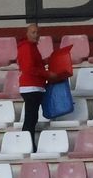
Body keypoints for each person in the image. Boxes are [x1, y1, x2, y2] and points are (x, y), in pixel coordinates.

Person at [16, 22, 69, 151]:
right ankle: (27, 146)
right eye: (33, 32)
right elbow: (30, 68)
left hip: (33, 87)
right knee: (30, 119)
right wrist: (48, 74)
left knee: (31, 118)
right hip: (31, 87)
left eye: (37, 32)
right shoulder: (27, 47)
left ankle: (28, 145)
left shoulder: (30, 47)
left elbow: (35, 65)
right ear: (27, 34)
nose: (36, 35)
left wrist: (47, 61)